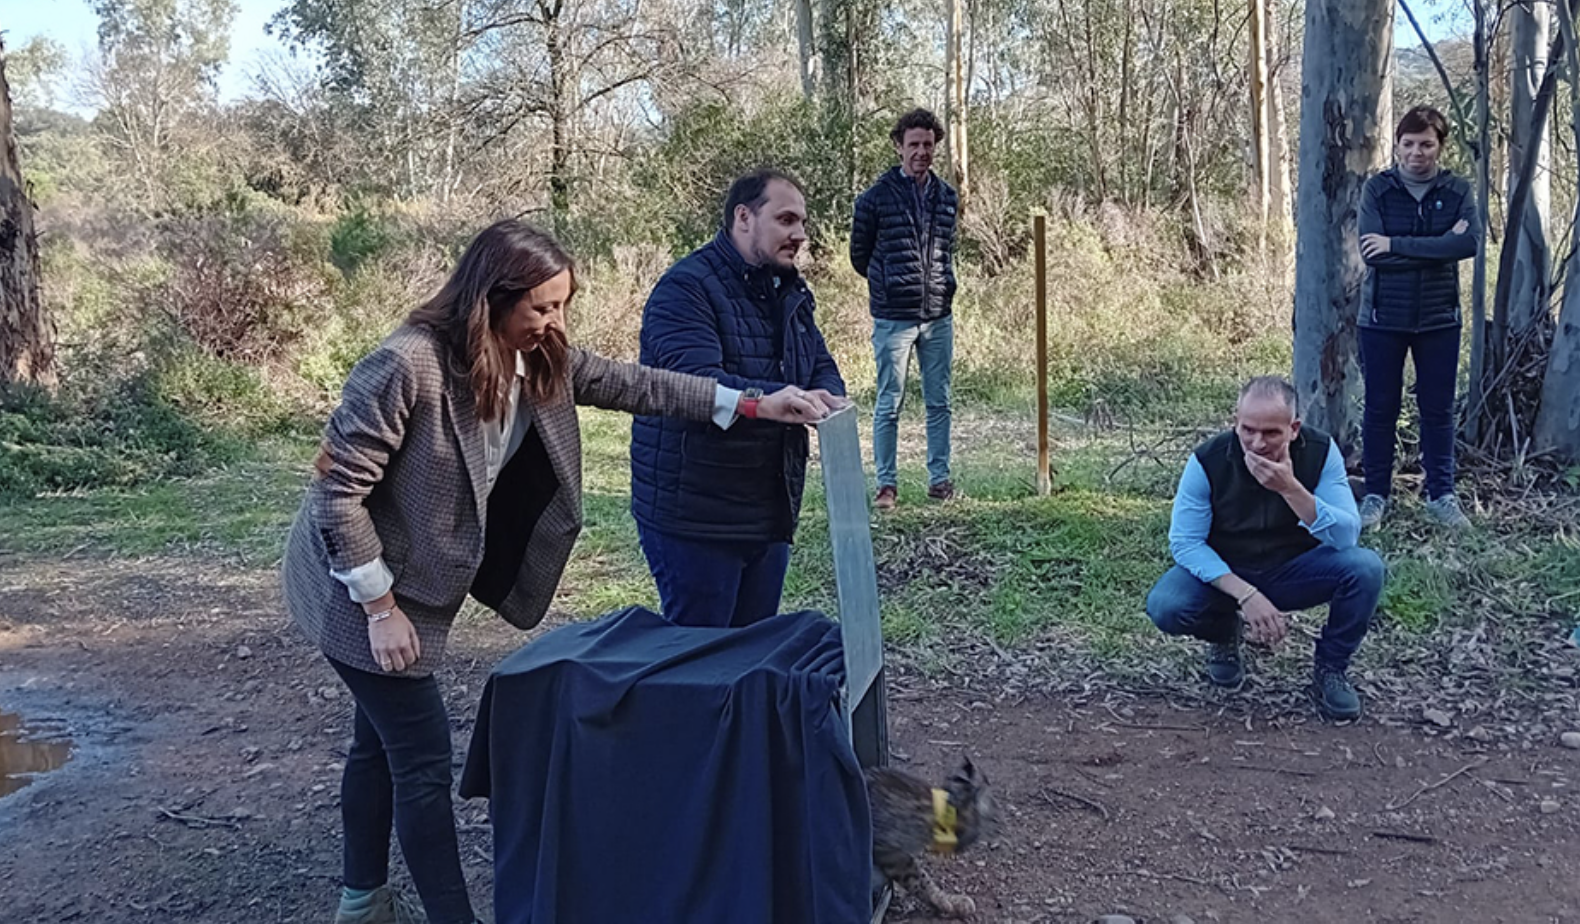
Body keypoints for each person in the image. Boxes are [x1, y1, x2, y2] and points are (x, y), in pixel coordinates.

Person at [282, 220, 828, 924]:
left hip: (410, 578)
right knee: (419, 760)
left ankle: (360, 900)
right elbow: (336, 491)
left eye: (562, 305)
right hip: (352, 582)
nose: (554, 322)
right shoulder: (407, 364)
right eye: (540, 307)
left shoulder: (540, 358)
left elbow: (640, 386)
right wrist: (379, 608)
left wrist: (754, 403)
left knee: (377, 740)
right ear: (491, 299)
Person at [630, 169, 848, 628]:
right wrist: (774, 399)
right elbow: (691, 382)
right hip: (695, 519)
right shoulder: (685, 289)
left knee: (750, 659)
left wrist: (830, 395)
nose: (800, 235)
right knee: (700, 665)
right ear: (743, 217)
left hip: (766, 513)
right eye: (786, 220)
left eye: (803, 223)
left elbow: (817, 360)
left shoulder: (789, 289)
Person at [1144, 377, 1386, 721]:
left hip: (1295, 569)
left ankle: (1331, 668)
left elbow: (1347, 535)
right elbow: (1185, 543)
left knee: (1366, 568)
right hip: (1227, 573)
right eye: (1248, 430)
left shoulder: (1320, 451)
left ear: (1294, 428)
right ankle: (1224, 632)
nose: (1257, 443)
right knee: (1167, 605)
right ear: (1236, 423)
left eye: (1271, 433)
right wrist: (1246, 595)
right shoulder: (1207, 460)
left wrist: (1291, 489)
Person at [1357, 104, 1479, 530]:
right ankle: (1375, 495)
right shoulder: (1378, 190)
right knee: (1380, 408)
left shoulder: (1458, 190)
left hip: (1439, 318)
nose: (1416, 152)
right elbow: (1372, 257)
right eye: (1408, 143)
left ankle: (1441, 495)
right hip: (1380, 318)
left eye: (1426, 144)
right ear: (1396, 145)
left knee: (1438, 410)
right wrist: (1437, 245)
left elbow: (1468, 247)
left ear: (1440, 147)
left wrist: (1395, 244)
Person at [851, 108, 961, 509]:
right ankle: (886, 485)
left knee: (939, 401)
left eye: (928, 145)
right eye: (913, 144)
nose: (921, 152)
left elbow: (947, 251)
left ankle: (939, 479)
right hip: (893, 318)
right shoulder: (874, 200)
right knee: (889, 401)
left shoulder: (948, 198)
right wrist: (889, 285)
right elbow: (859, 257)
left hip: (938, 316)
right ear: (898, 146)